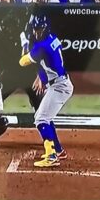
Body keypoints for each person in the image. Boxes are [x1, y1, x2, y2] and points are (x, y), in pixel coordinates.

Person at [19, 13, 73, 168]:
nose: (37, 32)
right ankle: (58, 150)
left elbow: (22, 62)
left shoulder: (41, 46)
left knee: (41, 119)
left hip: (59, 86)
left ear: (45, 28)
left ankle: (51, 155)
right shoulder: (52, 38)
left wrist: (24, 44)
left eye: (39, 29)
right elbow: (45, 62)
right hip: (57, 82)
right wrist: (42, 78)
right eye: (35, 29)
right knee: (46, 117)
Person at [0, 11, 41, 111]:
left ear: (15, 27)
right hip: (10, 73)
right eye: (7, 27)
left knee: (38, 103)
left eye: (11, 27)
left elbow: (35, 57)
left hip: (27, 73)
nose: (9, 29)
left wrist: (38, 75)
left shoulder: (24, 37)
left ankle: (40, 114)